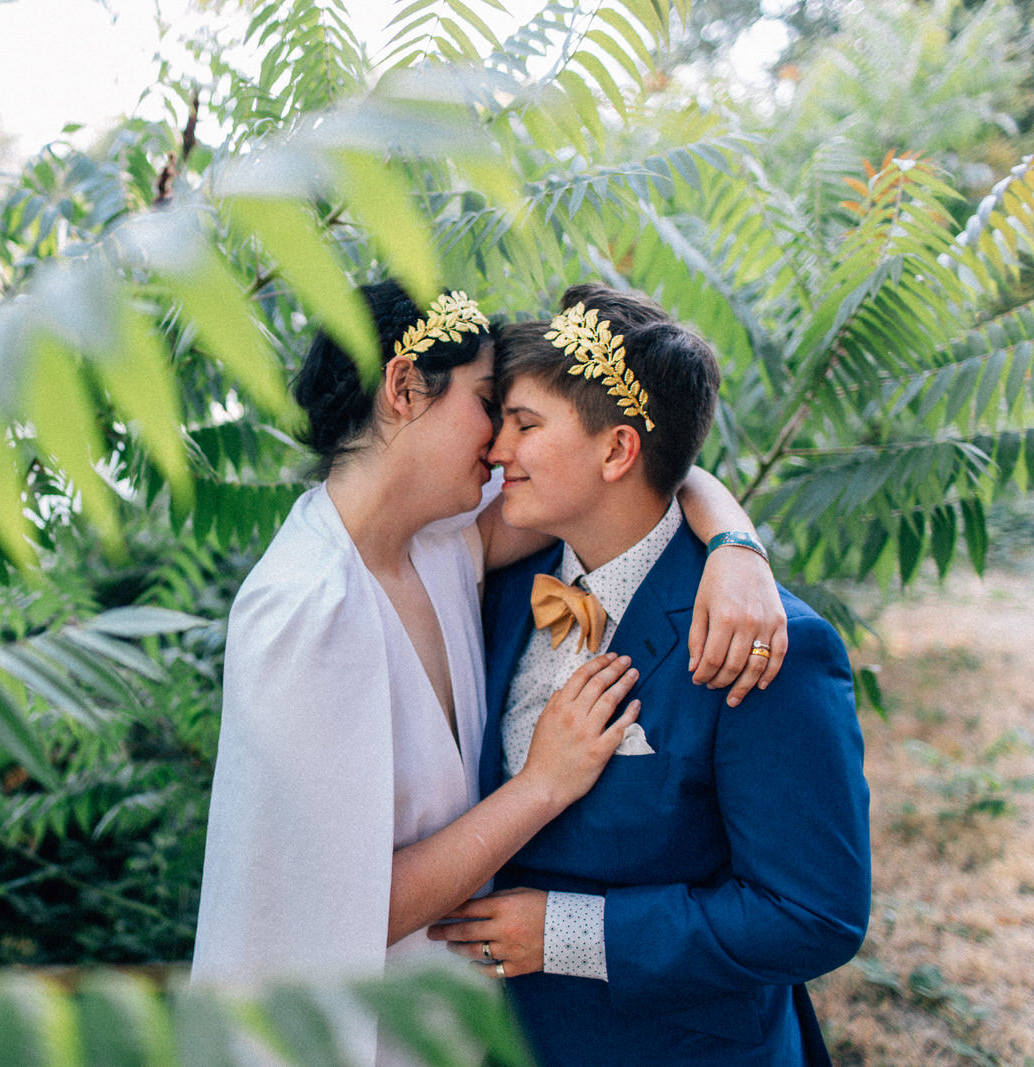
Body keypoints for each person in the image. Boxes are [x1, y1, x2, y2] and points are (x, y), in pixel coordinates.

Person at [192, 281, 789, 1066]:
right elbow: (340, 910)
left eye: (517, 417)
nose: (501, 441)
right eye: (487, 403)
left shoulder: (441, 549)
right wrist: (542, 784)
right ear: (405, 388)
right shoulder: (305, 606)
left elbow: (638, 462)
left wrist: (736, 550)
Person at [428, 285, 870, 1066]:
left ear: (617, 450)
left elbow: (814, 915)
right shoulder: (499, 580)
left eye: (527, 425)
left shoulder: (767, 645)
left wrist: (569, 933)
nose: (497, 449)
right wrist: (735, 532)